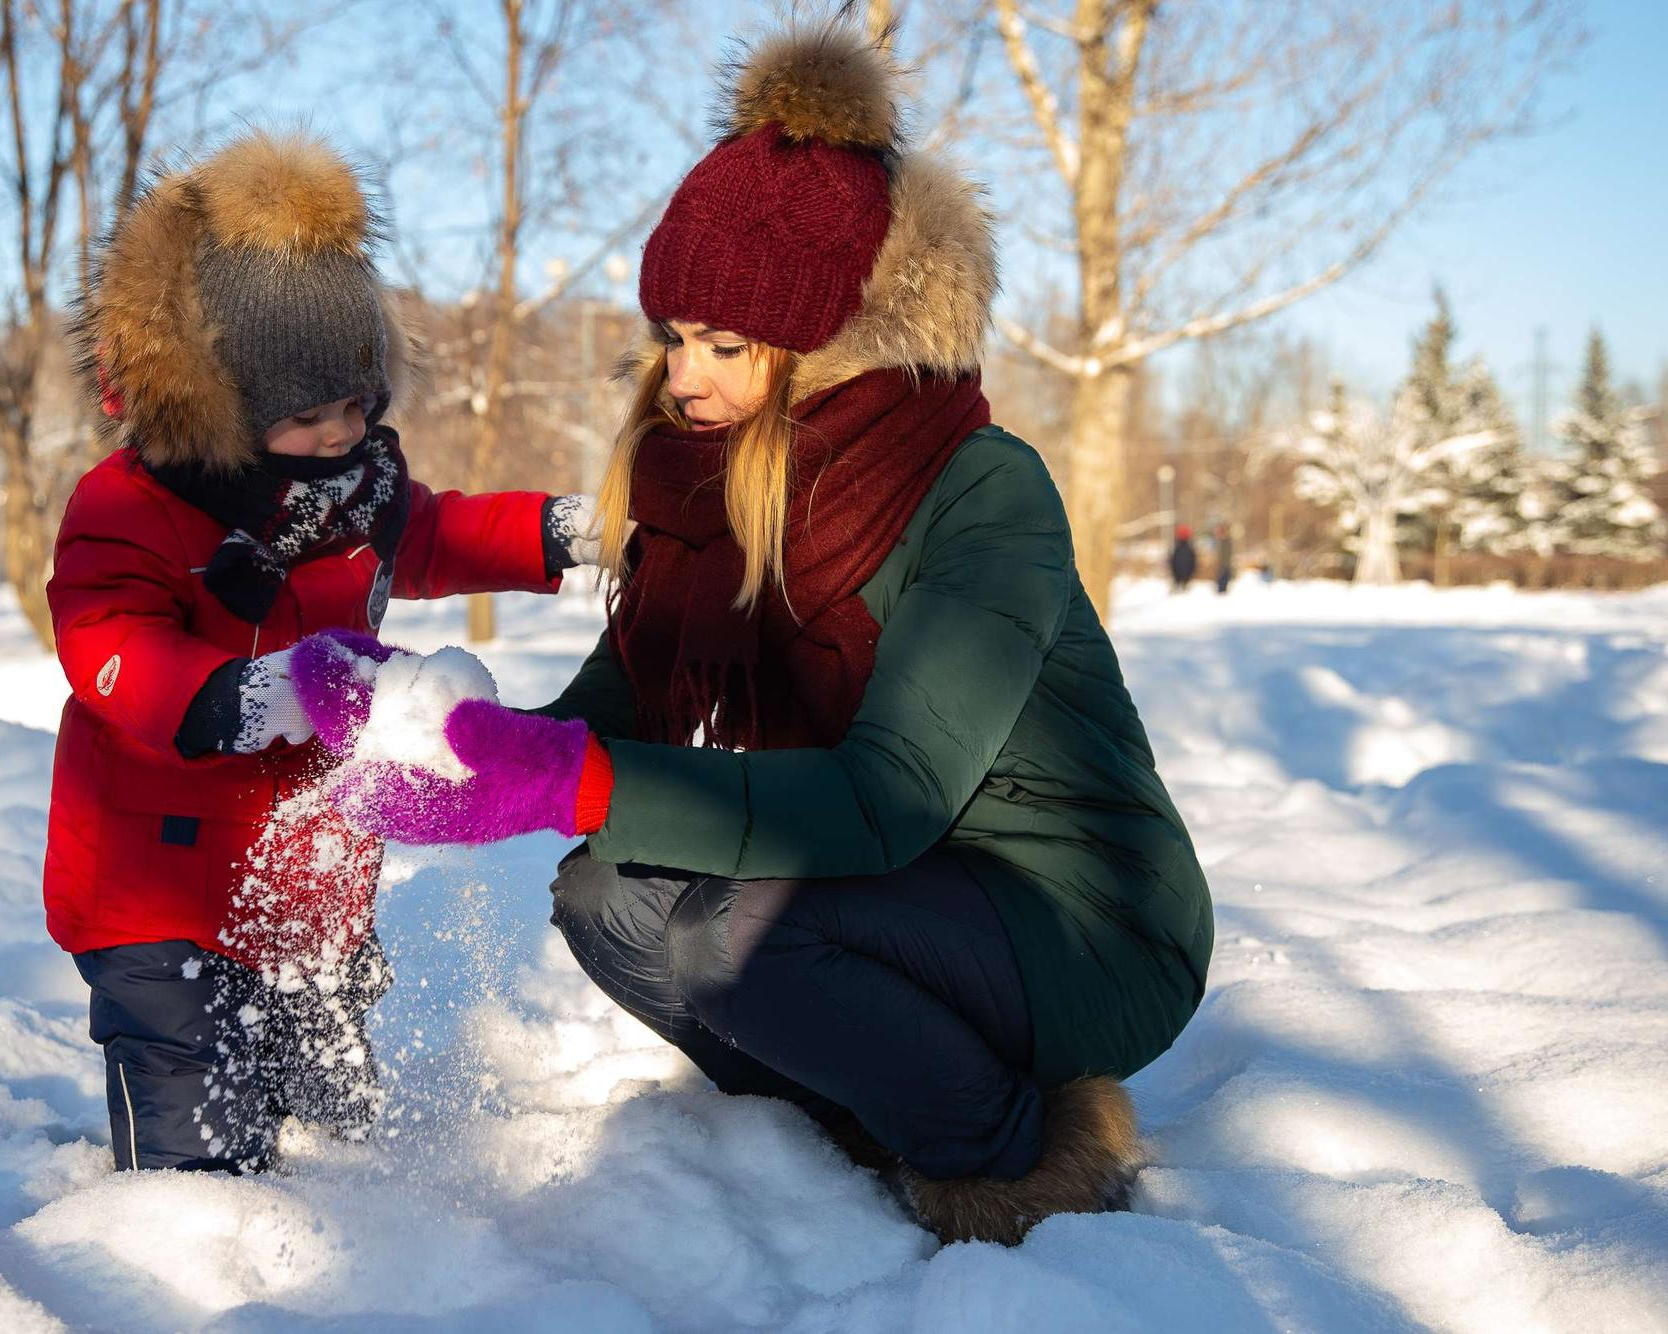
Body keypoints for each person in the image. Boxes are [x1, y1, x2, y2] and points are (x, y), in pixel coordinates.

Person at [307, 21, 1213, 1247]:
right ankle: (865, 1113)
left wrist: (572, 778)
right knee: (604, 897)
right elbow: (606, 718)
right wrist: (442, 732)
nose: (681, 379)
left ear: (823, 349)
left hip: (1070, 914)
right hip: (902, 888)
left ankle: (1012, 1150)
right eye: (673, 337)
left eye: (723, 346)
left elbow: (884, 796)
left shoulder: (978, 490)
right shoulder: (706, 486)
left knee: (738, 930)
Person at [43, 130, 602, 1173]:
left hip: (314, 876)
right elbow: (106, 644)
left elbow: (441, 532)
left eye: (356, 403)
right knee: (197, 1127)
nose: (342, 432)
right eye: (307, 415)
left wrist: (566, 528)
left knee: (336, 1126)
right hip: (157, 888)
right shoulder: (132, 505)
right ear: (223, 407)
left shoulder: (359, 492)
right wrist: (259, 695)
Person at [1169, 523, 1197, 590]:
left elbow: (1172, 560)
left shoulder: (1177, 547)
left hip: (1178, 575)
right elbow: (1193, 561)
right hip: (1185, 575)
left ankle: (1180, 585)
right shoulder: (1189, 548)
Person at [1214, 522, 1235, 594]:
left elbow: (1227, 555)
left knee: (1224, 583)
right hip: (1221, 566)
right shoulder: (1221, 542)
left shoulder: (1227, 542)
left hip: (1225, 566)